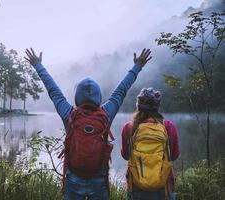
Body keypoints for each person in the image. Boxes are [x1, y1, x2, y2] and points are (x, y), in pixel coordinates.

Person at [25, 48, 152, 200]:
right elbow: (121, 90)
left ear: (77, 97)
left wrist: (38, 65)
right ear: (98, 97)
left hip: (74, 177)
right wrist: (137, 67)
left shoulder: (69, 114)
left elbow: (53, 91)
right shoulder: (106, 114)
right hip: (98, 176)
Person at [121, 88, 180, 200]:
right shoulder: (168, 126)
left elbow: (125, 155)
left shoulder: (128, 127)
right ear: (157, 107)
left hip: (136, 186)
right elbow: (174, 155)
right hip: (164, 186)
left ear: (138, 106)